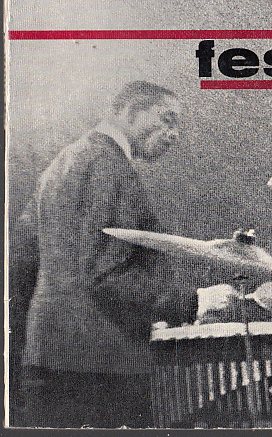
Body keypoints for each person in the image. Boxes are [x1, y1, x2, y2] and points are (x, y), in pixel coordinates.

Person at [15, 81, 239, 428]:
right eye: (167, 119)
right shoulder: (108, 165)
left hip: (53, 357)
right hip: (100, 365)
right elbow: (105, 273)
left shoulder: (65, 162)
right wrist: (191, 303)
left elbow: (25, 258)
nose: (174, 134)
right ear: (129, 111)